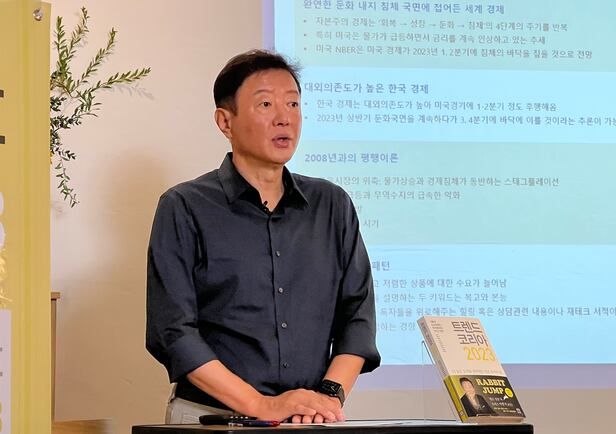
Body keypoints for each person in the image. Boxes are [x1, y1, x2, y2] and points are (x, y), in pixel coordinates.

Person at [146, 49, 380, 425]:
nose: (284, 117)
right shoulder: (185, 206)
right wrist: (261, 405)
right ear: (225, 121)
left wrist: (327, 398)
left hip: (308, 419)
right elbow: (173, 332)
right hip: (211, 418)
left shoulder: (332, 204)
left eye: (293, 103)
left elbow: (357, 316)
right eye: (266, 104)